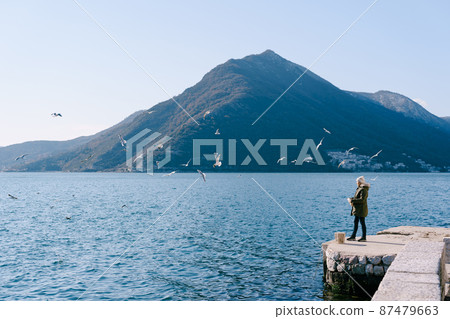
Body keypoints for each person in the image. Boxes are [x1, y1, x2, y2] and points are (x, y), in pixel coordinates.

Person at [347, 176, 370, 242]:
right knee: (356, 222)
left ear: (359, 182)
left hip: (361, 209)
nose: (356, 183)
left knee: (362, 223)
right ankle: (353, 236)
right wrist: (352, 199)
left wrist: (352, 201)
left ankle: (364, 237)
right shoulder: (360, 188)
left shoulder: (363, 190)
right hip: (358, 209)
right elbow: (357, 198)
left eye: (357, 181)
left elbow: (362, 200)